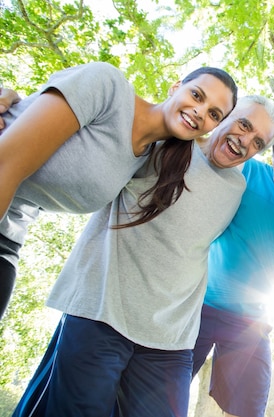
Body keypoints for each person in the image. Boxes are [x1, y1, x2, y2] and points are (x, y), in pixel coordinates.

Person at [11, 95, 274, 417]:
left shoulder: (238, 186)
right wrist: (18, 107)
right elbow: (90, 125)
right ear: (223, 116)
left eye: (258, 142)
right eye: (244, 125)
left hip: (170, 338)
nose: (245, 141)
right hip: (104, 312)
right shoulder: (168, 142)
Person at [0, 62, 239, 319]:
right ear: (175, 87)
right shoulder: (107, 87)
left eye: (214, 114)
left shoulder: (149, 163)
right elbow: (7, 163)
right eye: (196, 95)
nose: (200, 111)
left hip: (8, 239)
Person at [192, 111, 274, 417]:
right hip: (198, 307)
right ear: (272, 152)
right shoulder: (248, 171)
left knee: (249, 409)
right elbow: (202, 151)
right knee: (157, 391)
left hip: (250, 323)